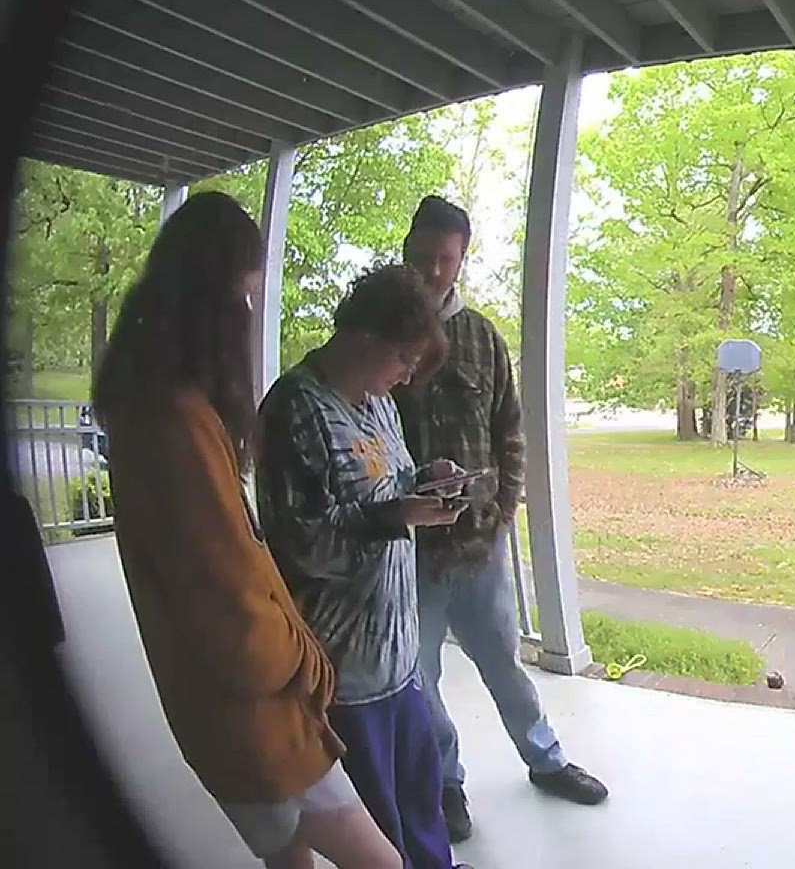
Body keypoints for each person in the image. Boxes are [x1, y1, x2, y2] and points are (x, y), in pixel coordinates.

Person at [93, 192, 401, 868]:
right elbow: (228, 598)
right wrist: (304, 662)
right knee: (382, 863)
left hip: (216, 708)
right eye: (245, 297)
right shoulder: (175, 424)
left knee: (288, 859)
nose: (249, 314)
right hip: (255, 713)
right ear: (216, 300)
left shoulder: (157, 409)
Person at [392, 196, 608, 844]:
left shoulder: (483, 337)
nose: (435, 270)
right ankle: (447, 782)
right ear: (406, 251)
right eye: (424, 256)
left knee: (505, 662)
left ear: (462, 259)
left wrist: (502, 509)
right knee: (419, 676)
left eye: (447, 259)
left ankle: (545, 758)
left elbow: (510, 429)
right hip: (408, 548)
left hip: (480, 544)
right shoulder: (385, 335)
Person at [257, 264, 470, 869]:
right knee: (380, 833)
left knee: (422, 806)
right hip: (344, 674)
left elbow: (390, 481)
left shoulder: (378, 404)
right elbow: (296, 547)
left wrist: (427, 483)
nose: (405, 378)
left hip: (401, 661)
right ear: (367, 337)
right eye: (403, 359)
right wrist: (393, 516)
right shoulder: (296, 409)